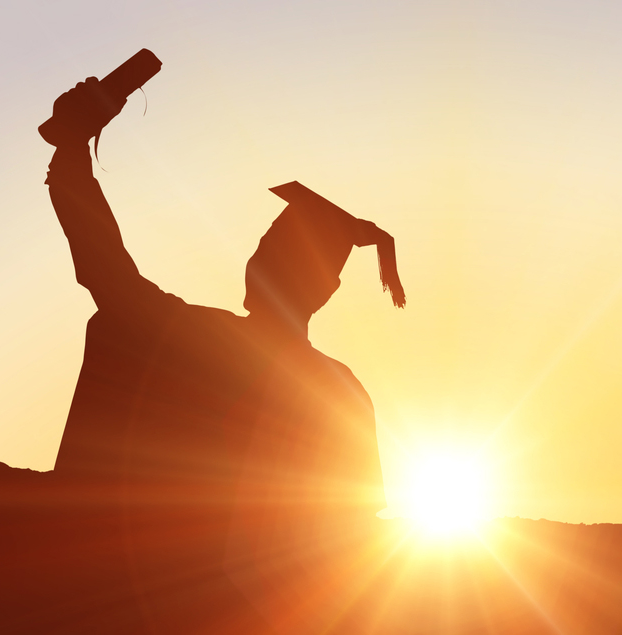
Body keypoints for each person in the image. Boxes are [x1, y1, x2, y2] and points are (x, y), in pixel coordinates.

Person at [42, 77, 404, 632]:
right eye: (260, 248)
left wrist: (72, 153)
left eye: (271, 254)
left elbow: (106, 270)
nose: (255, 261)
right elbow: (352, 551)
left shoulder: (210, 342)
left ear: (321, 290)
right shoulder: (345, 389)